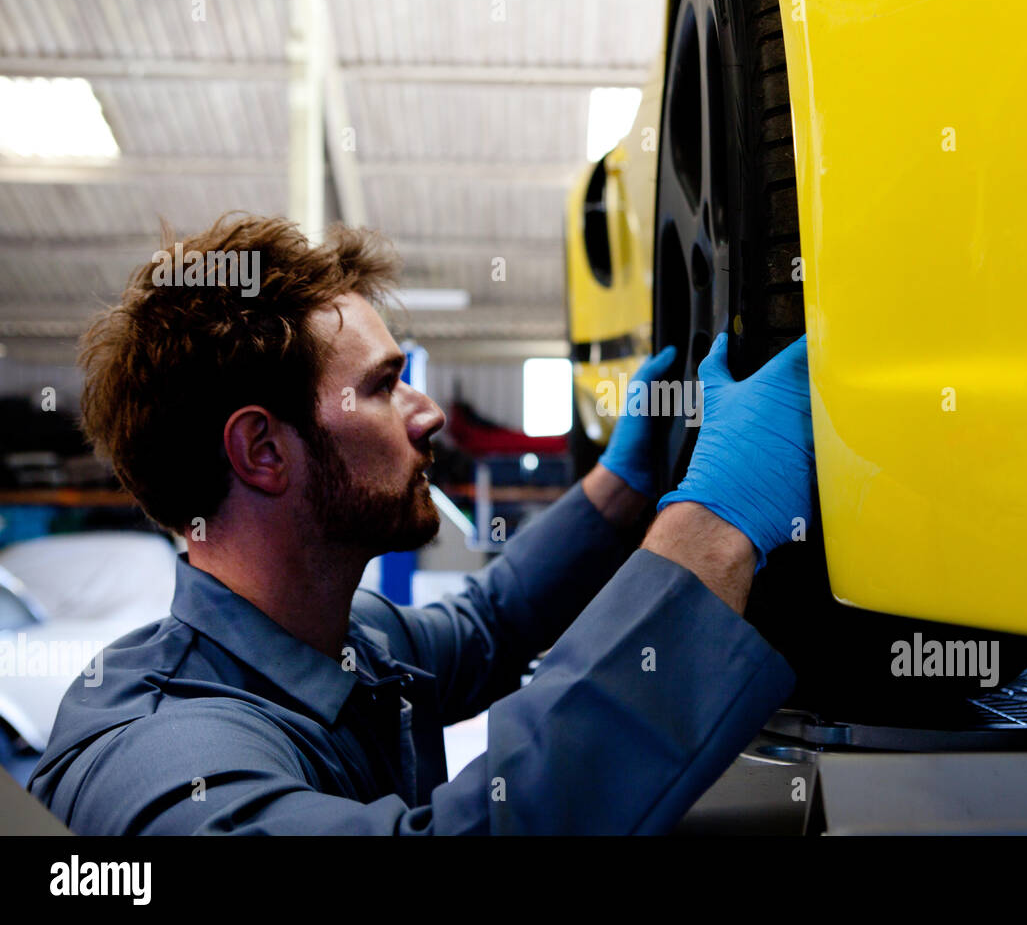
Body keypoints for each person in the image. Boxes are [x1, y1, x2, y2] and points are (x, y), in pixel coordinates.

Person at [27, 213, 816, 834]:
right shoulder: (171, 768)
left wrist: (618, 487)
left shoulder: (341, 638)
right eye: (383, 387)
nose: (431, 413)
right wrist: (715, 523)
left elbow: (492, 618)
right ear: (262, 450)